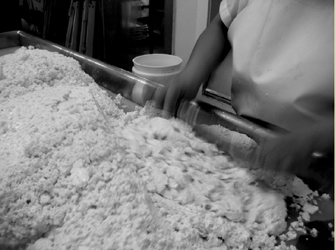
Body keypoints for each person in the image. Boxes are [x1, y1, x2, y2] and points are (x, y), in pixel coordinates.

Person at [153, 0, 334, 174]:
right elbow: (222, 24)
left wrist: (313, 139)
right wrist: (192, 73)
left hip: (320, 159)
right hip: (246, 130)